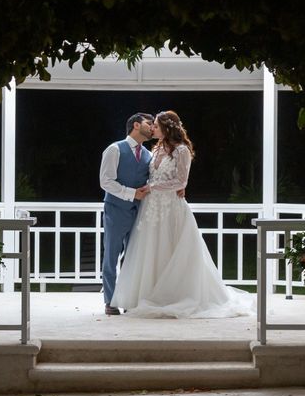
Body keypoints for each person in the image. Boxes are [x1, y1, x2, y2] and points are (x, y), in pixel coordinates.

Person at [110, 111, 255, 318]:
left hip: (172, 209)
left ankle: (174, 295)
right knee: (150, 250)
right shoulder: (157, 149)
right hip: (151, 209)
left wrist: (152, 187)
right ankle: (148, 294)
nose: (153, 129)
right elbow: (153, 172)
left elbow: (181, 182)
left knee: (172, 250)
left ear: (167, 128)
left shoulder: (181, 150)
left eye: (156, 126)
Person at [99, 112, 154, 316]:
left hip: (140, 212)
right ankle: (111, 301)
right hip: (116, 209)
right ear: (137, 125)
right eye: (150, 123)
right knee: (111, 255)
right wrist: (131, 194)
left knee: (133, 257)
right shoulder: (115, 149)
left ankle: (129, 299)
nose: (153, 127)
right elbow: (105, 181)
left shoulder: (149, 155)